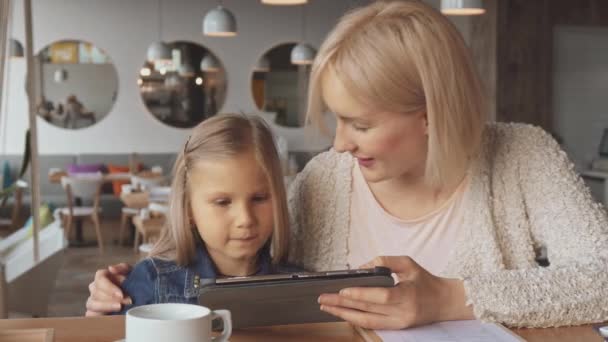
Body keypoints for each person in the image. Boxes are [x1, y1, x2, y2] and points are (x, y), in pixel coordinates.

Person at [86, 0, 608, 330]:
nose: (338, 144)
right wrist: (130, 286)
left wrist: (453, 297)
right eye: (335, 120)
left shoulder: (523, 157)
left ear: (430, 115)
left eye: (358, 124)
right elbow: (240, 259)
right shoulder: (325, 182)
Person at [113, 113, 295, 313]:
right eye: (222, 202)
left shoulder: (301, 290)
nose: (245, 219)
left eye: (259, 198)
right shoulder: (150, 282)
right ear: (189, 209)